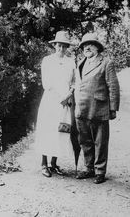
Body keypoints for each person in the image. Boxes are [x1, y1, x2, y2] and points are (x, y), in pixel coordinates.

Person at [74, 32, 120, 184]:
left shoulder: (106, 63)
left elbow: (113, 86)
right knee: (85, 140)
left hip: (99, 107)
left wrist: (113, 108)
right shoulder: (81, 62)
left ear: (97, 47)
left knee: (100, 141)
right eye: (84, 45)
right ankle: (89, 168)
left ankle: (100, 170)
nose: (87, 47)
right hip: (82, 107)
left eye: (90, 44)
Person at [35, 30, 75, 177]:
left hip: (65, 103)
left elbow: (74, 81)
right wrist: (62, 96)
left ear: (67, 47)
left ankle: (54, 163)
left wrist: (70, 93)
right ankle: (44, 163)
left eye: (64, 46)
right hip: (51, 100)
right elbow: (47, 83)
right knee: (48, 130)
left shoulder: (70, 62)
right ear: (54, 45)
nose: (61, 48)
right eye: (59, 45)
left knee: (61, 130)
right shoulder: (47, 60)